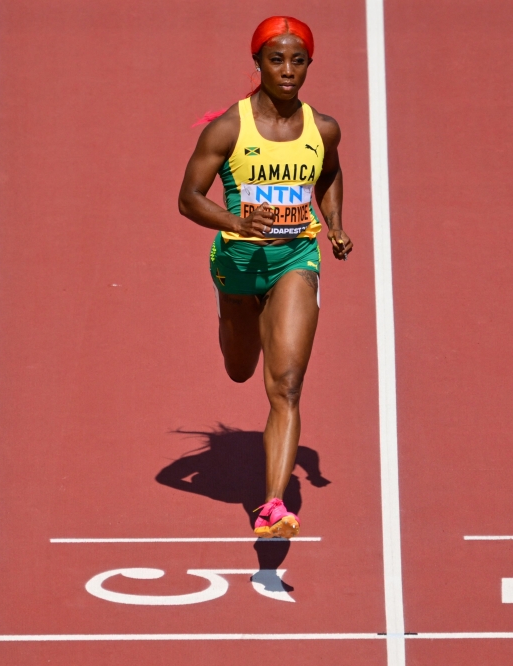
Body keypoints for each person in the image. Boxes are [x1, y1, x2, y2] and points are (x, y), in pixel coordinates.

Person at [177, 16, 351, 539]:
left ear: (309, 66)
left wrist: (335, 225)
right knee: (238, 369)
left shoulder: (322, 128)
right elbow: (187, 198)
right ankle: (231, 317)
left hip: (296, 258)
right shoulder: (229, 128)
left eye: (298, 60)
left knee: (287, 386)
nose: (288, 70)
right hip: (237, 264)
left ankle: (273, 505)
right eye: (276, 59)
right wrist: (234, 221)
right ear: (257, 63)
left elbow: (330, 172)